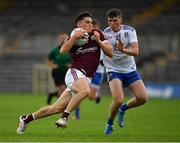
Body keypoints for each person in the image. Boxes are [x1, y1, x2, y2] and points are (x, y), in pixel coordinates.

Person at [16, 11, 113, 134]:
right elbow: (62, 51)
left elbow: (110, 53)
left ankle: (25, 119)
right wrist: (73, 38)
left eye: (91, 22)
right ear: (79, 24)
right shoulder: (73, 37)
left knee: (56, 108)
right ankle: (63, 118)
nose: (90, 25)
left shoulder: (97, 34)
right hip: (75, 72)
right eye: (87, 22)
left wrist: (99, 41)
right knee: (85, 91)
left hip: (86, 77)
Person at [103, 8, 148, 135]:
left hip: (129, 69)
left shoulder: (129, 31)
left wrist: (123, 50)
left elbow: (136, 51)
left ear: (120, 19)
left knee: (143, 98)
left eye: (115, 20)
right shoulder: (104, 33)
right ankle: (109, 124)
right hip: (113, 69)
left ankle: (123, 109)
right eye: (109, 21)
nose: (112, 23)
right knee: (118, 99)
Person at [73, 19, 105, 119]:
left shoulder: (102, 37)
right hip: (85, 70)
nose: (93, 30)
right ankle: (76, 114)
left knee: (91, 97)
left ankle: (96, 96)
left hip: (98, 71)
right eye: (91, 27)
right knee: (80, 92)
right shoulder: (84, 38)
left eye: (95, 28)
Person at [47, 33, 71, 105]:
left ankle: (52, 95)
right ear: (59, 39)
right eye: (62, 38)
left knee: (64, 92)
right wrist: (52, 66)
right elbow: (49, 60)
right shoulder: (55, 51)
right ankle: (60, 107)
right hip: (57, 72)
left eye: (65, 38)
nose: (63, 40)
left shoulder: (70, 50)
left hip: (67, 73)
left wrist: (71, 65)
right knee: (64, 91)